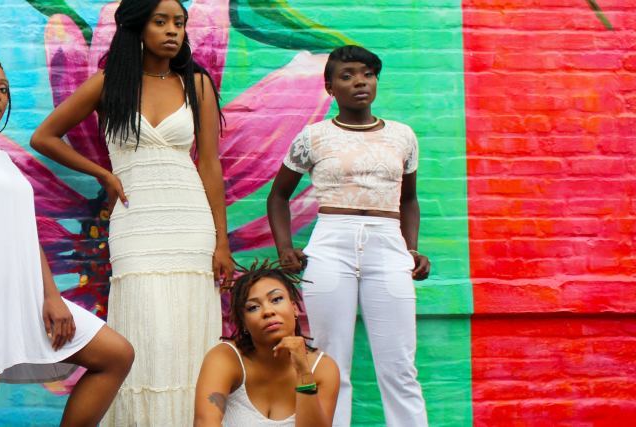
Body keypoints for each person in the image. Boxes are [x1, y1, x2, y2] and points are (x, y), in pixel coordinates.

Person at [29, 0, 231, 424]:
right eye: (161, 22)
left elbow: (211, 165)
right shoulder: (109, 84)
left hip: (190, 223)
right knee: (146, 330)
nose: (172, 30)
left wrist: (222, 242)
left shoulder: (196, 83)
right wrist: (102, 173)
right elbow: (44, 137)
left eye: (179, 23)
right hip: (135, 223)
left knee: (189, 334)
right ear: (138, 28)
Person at [0, 52, 134, 427]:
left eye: (3, 89)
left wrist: (51, 296)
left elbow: (25, 237)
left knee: (116, 355)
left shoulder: (2, 159)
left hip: (21, 298)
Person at [266, 44, 431, 426]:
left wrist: (412, 249)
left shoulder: (403, 136)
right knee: (330, 363)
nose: (360, 82)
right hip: (331, 246)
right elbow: (278, 196)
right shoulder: (313, 137)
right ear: (330, 87)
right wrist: (285, 247)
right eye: (347, 76)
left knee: (399, 366)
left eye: (367, 74)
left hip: (388, 246)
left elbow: (408, 200)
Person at [194, 261, 339, 426]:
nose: (268, 311)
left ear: (294, 308)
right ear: (243, 323)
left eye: (276, 299)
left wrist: (304, 373)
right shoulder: (225, 358)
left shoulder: (323, 368)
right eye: (253, 307)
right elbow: (205, 422)